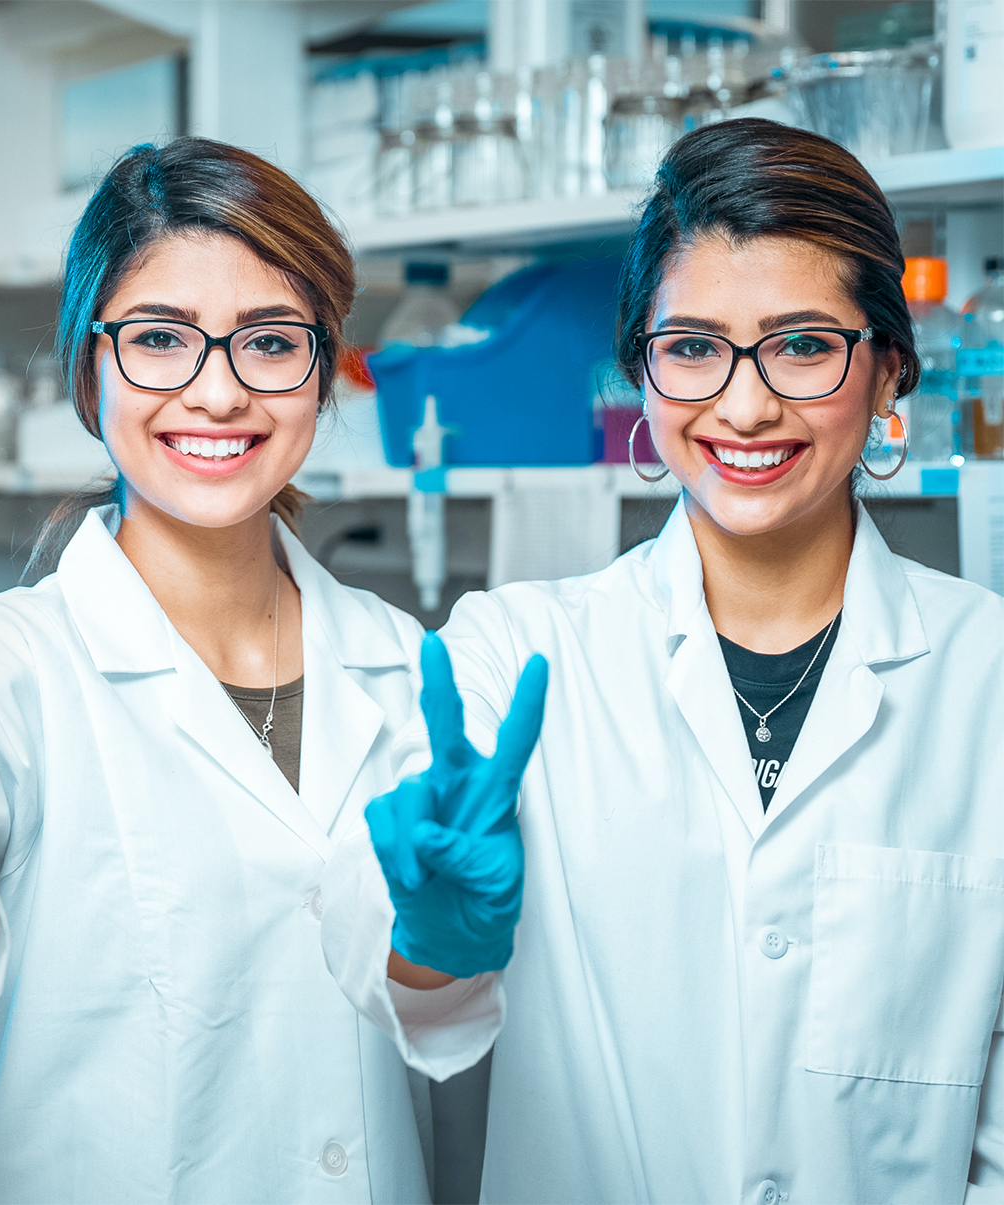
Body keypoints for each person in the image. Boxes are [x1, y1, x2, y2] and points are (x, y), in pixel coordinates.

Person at [0, 137, 544, 1203]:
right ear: (89, 365)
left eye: (269, 341)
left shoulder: (407, 672)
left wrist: (439, 952)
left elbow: (432, 1033)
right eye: (160, 338)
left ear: (325, 369)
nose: (217, 392)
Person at [327, 118, 1004, 1203]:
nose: (743, 403)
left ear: (889, 374)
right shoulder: (515, 653)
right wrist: (426, 933)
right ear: (640, 375)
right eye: (692, 348)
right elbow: (376, 958)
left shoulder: (988, 680)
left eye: (801, 345)